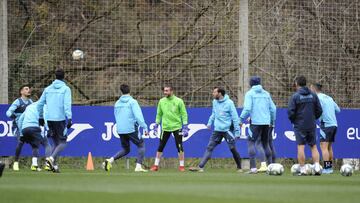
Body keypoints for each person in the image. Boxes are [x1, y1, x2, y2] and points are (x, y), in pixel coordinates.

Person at [189, 87, 242, 172]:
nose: (213, 94)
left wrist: (237, 132)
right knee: (210, 147)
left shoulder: (229, 103)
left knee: (232, 149)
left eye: (214, 92)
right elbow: (214, 113)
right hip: (217, 130)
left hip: (227, 130)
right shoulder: (215, 102)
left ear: (220, 93)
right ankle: (200, 167)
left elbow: (235, 118)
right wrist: (209, 123)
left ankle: (239, 167)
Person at [103, 84, 149, 172]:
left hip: (120, 129)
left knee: (126, 149)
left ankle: (110, 160)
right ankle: (138, 166)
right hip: (131, 128)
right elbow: (138, 116)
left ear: (121, 91)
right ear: (129, 91)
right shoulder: (132, 102)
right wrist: (144, 127)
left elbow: (116, 116)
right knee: (141, 145)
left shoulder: (117, 103)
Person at [37, 68, 72, 173]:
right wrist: (69, 117)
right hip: (59, 119)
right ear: (64, 77)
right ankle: (51, 159)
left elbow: (40, 104)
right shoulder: (66, 89)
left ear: (55, 77)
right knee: (63, 142)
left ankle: (54, 166)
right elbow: (66, 104)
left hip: (49, 120)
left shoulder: (47, 89)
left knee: (56, 143)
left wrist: (41, 117)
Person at [239, 76, 276, 174]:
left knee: (251, 142)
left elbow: (247, 109)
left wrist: (240, 119)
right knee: (266, 143)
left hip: (255, 123)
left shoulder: (250, 94)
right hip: (266, 123)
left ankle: (254, 168)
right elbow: (273, 109)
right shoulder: (266, 94)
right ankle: (270, 167)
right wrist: (272, 121)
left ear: (250, 84)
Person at [288, 76, 322, 175]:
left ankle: (303, 169)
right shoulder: (313, 95)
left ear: (296, 84)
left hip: (300, 125)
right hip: (311, 124)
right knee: (314, 146)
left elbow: (290, 112)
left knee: (301, 146)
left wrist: (294, 121)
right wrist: (313, 118)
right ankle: (317, 167)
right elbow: (319, 110)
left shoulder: (295, 96)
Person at [150, 85, 189, 172]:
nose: (165, 92)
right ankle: (156, 165)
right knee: (161, 146)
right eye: (164, 91)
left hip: (177, 127)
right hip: (165, 127)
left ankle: (181, 166)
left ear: (172, 91)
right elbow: (159, 113)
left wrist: (185, 126)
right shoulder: (161, 101)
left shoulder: (179, 101)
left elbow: (184, 114)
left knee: (179, 146)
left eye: (167, 91)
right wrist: (156, 124)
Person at [310, 83, 340, 174]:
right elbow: (338, 110)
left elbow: (318, 110)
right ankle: (329, 168)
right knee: (329, 147)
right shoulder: (329, 98)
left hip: (326, 124)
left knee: (323, 147)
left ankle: (327, 168)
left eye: (311, 89)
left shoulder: (317, 98)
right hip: (334, 124)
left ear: (314, 89)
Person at [17, 102, 52, 171]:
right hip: (35, 128)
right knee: (47, 144)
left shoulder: (29, 107)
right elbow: (45, 117)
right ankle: (48, 165)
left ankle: (34, 165)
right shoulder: (43, 106)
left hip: (25, 129)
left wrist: (21, 133)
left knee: (35, 145)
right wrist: (48, 129)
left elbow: (20, 120)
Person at [6, 85, 33, 171]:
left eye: (28, 89)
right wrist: (15, 116)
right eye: (26, 89)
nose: (28, 90)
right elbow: (8, 112)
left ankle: (34, 163)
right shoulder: (18, 102)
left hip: (28, 126)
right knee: (20, 143)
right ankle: (16, 163)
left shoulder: (31, 102)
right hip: (18, 127)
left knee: (36, 142)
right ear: (21, 92)